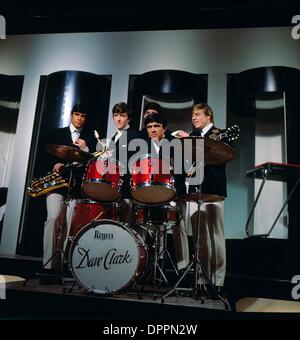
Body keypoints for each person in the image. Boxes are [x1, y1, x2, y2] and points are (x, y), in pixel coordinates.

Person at [42, 104, 97, 272]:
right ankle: (48, 266)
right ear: (71, 115)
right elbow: (43, 156)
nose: (79, 118)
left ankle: (62, 266)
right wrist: (55, 164)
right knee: (53, 218)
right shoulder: (56, 133)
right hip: (57, 185)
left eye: (83, 116)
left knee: (68, 225)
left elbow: (93, 162)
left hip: (75, 189)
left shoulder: (90, 138)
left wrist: (85, 149)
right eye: (77, 114)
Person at [182, 103, 229, 297]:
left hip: (213, 190)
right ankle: (200, 280)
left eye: (198, 114)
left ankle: (218, 282)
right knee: (199, 237)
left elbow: (224, 156)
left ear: (209, 117)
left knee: (216, 236)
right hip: (194, 190)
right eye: (193, 114)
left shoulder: (220, 134)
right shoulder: (192, 137)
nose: (194, 118)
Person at [139, 112, 189, 271]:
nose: (153, 130)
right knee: (146, 227)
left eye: (156, 126)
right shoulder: (142, 146)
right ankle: (150, 267)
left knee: (179, 229)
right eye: (149, 127)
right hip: (152, 193)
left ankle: (183, 269)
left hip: (174, 192)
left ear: (164, 128)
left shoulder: (175, 143)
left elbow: (182, 170)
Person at [101, 102, 138, 224]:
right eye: (116, 115)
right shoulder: (113, 137)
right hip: (116, 189)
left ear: (129, 118)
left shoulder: (134, 135)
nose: (118, 118)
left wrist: (113, 156)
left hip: (127, 189)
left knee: (127, 227)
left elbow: (133, 162)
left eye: (122, 115)